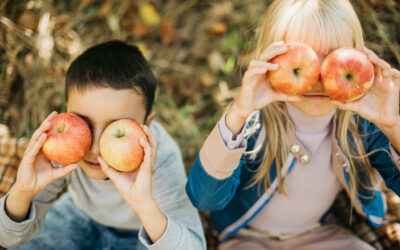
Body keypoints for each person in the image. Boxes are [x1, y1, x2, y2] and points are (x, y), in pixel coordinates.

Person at [185, 0, 400, 249]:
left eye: (334, 57)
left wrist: (392, 125)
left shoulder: (361, 126)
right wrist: (238, 114)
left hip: (318, 234)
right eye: (303, 59)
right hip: (247, 238)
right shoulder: (253, 125)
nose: (319, 76)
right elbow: (204, 200)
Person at [0, 40, 206, 250]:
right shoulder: (61, 147)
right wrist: (23, 191)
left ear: (147, 124)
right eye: (84, 123)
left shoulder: (162, 159)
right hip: (80, 217)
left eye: (115, 127)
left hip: (143, 231)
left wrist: (144, 204)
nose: (96, 148)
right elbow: (5, 239)